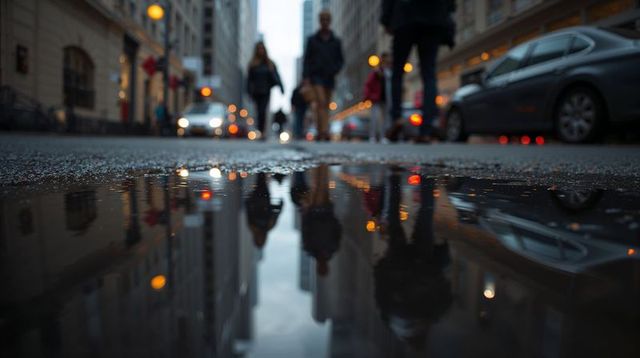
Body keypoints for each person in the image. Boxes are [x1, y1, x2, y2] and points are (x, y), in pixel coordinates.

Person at [374, 170, 452, 350]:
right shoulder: (391, 320)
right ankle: (392, 178)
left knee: (425, 216)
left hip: (423, 264)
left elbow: (444, 295)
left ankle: (427, 177)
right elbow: (381, 292)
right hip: (397, 263)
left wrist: (438, 274)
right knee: (393, 218)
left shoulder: (429, 319)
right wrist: (381, 268)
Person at [381, 0, 456, 143]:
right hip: (433, 15)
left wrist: (386, 19)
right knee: (429, 74)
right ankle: (426, 128)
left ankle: (396, 118)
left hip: (405, 14)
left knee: (397, 72)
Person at [302, 10, 344, 142]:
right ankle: (323, 131)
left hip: (329, 77)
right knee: (321, 102)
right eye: (322, 19)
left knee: (325, 105)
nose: (325, 21)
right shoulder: (312, 40)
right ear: (319, 21)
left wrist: (335, 69)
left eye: (327, 19)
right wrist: (306, 77)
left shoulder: (336, 41)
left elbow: (341, 60)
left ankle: (322, 130)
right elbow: (307, 59)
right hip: (316, 76)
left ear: (330, 21)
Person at [301, 165, 341, 277]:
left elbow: (305, 231)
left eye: (320, 268)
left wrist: (306, 215)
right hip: (326, 213)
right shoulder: (332, 249)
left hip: (315, 213)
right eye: (324, 268)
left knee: (319, 188)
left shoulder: (310, 249)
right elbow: (338, 232)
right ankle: (321, 165)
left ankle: (320, 165)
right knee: (321, 187)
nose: (322, 266)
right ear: (327, 267)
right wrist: (334, 220)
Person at [247, 42, 284, 139]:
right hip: (256, 91)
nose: (261, 51)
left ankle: (262, 131)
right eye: (259, 49)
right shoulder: (252, 64)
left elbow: (277, 75)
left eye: (262, 48)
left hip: (266, 90)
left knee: (263, 110)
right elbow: (249, 79)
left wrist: (281, 87)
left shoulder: (270, 64)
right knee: (258, 111)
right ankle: (260, 130)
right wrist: (248, 91)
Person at [245, 173, 283, 249]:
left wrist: (248, 202)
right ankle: (261, 171)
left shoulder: (253, 227)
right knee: (262, 182)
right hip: (265, 200)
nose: (260, 238)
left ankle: (261, 171)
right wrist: (280, 206)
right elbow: (275, 215)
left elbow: (249, 213)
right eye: (261, 240)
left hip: (256, 201)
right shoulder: (269, 226)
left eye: (259, 240)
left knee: (260, 182)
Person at [363, 53, 391, 143]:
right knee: (374, 118)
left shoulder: (390, 71)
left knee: (385, 119)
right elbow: (368, 85)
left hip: (386, 98)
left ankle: (383, 136)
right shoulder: (376, 72)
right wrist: (368, 96)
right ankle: (373, 136)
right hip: (376, 98)